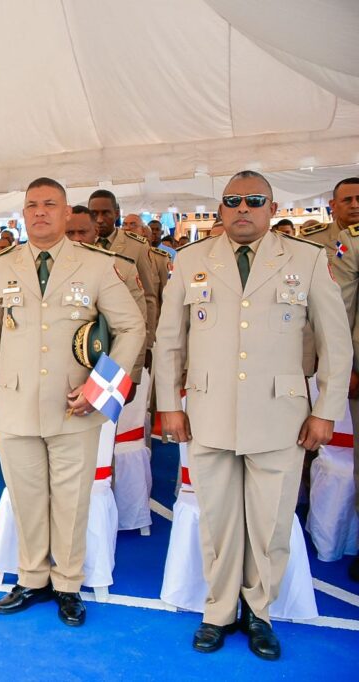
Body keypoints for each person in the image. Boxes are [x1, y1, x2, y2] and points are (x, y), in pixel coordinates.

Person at [155, 170, 351, 659]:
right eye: (233, 200)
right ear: (221, 209)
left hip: (279, 415)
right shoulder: (191, 260)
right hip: (207, 413)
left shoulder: (307, 260)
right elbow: (169, 340)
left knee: (270, 524)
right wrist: (167, 406)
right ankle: (219, 611)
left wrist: (326, 410)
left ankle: (259, 612)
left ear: (272, 207)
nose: (243, 208)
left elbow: (336, 343)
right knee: (217, 520)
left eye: (254, 200)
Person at [0, 177, 145, 627]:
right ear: (23, 214)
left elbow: (132, 328)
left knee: (71, 500)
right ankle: (31, 578)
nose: (40, 212)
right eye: (32, 205)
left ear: (68, 213)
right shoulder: (0, 265)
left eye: (51, 204)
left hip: (76, 407)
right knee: (26, 497)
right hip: (14, 404)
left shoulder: (96, 265)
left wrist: (101, 389)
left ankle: (68, 584)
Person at [323, 177, 359, 582]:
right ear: (333, 206)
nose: (354, 205)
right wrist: (342, 367)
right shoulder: (344, 245)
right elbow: (339, 313)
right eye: (347, 200)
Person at [66, 206, 147, 385]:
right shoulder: (49, 271)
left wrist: (130, 377)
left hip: (110, 370)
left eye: (82, 232)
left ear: (95, 232)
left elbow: (136, 326)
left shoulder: (121, 267)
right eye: (70, 233)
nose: (76, 238)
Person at [88, 189, 160, 354]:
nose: (99, 219)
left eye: (105, 213)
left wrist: (147, 343)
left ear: (117, 213)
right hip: (89, 340)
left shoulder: (137, 246)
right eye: (94, 213)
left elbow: (148, 296)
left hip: (125, 338)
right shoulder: (81, 245)